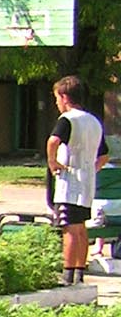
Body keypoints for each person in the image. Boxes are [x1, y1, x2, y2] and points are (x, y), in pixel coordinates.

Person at [47, 76, 108, 285]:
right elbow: (104, 155)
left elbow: (53, 141)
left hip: (69, 182)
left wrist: (52, 161)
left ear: (65, 97)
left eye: (57, 98)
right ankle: (79, 272)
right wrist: (91, 169)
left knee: (70, 228)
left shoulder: (68, 119)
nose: (56, 103)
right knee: (81, 228)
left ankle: (68, 273)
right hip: (87, 182)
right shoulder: (94, 121)